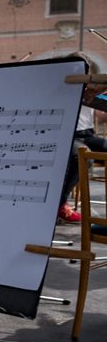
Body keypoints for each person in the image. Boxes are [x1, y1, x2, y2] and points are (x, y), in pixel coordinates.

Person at [59, 53, 107, 223]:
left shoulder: (91, 92)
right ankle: (60, 204)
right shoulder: (62, 87)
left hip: (88, 134)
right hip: (68, 135)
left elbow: (102, 116)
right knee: (81, 156)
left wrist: (100, 96)